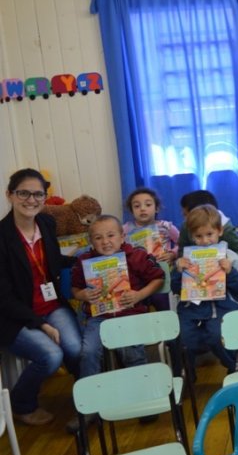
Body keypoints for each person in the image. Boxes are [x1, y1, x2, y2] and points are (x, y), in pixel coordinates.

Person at [0, 168, 81, 426]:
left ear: (45, 198)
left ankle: (88, 399)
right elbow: (4, 298)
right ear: (10, 195)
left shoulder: (46, 224)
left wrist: (89, 260)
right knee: (51, 356)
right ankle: (21, 404)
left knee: (76, 348)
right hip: (16, 316)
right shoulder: (1, 237)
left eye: (38, 194)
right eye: (23, 193)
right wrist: (41, 324)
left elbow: (53, 262)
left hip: (52, 305)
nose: (31, 200)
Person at [71, 215, 164, 381]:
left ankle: (142, 390)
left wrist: (139, 295)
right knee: (89, 352)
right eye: (98, 238)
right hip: (98, 318)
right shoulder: (84, 260)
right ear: (91, 241)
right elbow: (75, 288)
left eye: (111, 235)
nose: (105, 241)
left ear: (122, 236)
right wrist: (81, 295)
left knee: (131, 352)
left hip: (130, 314)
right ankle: (90, 399)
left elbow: (158, 278)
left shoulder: (136, 256)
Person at [170, 205, 238, 374]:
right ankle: (186, 377)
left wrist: (229, 272)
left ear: (220, 231)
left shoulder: (231, 257)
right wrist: (178, 272)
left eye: (209, 235)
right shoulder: (186, 259)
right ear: (191, 236)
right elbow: (175, 289)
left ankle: (235, 365)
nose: (205, 241)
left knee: (216, 335)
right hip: (191, 311)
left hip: (223, 308)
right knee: (180, 338)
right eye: (198, 236)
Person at [122, 186, 179, 311]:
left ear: (156, 208)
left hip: (164, 274)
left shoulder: (166, 227)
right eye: (137, 206)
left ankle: (168, 324)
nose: (142, 208)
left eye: (148, 205)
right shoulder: (125, 229)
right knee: (138, 304)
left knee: (162, 300)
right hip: (138, 276)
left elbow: (182, 243)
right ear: (131, 211)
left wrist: (173, 254)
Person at [177, 190, 238, 256]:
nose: (205, 241)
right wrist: (181, 263)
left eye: (186, 215)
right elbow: (182, 251)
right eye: (198, 236)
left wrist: (231, 262)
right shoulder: (186, 226)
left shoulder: (225, 228)